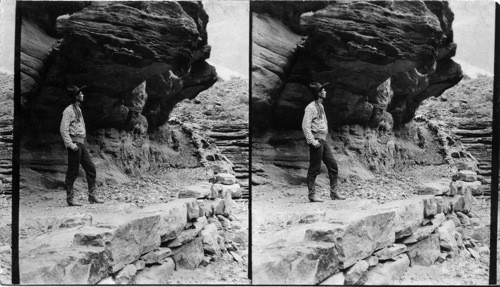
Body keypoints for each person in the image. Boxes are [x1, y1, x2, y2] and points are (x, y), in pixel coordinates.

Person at [302, 82, 346, 202]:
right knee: (314, 168)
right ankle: (312, 195)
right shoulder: (310, 107)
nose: (325, 91)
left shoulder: (320, 106)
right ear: (319, 93)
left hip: (323, 140)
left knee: (333, 166)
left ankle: (334, 193)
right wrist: (312, 141)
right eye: (323, 90)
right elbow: (305, 126)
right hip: (316, 141)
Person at [60, 85, 103, 206]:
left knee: (91, 169)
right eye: (81, 94)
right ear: (76, 96)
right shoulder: (68, 111)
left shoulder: (78, 109)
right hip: (74, 144)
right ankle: (70, 198)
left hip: (81, 144)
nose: (83, 95)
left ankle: (92, 196)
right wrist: (70, 144)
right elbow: (63, 130)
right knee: (72, 172)